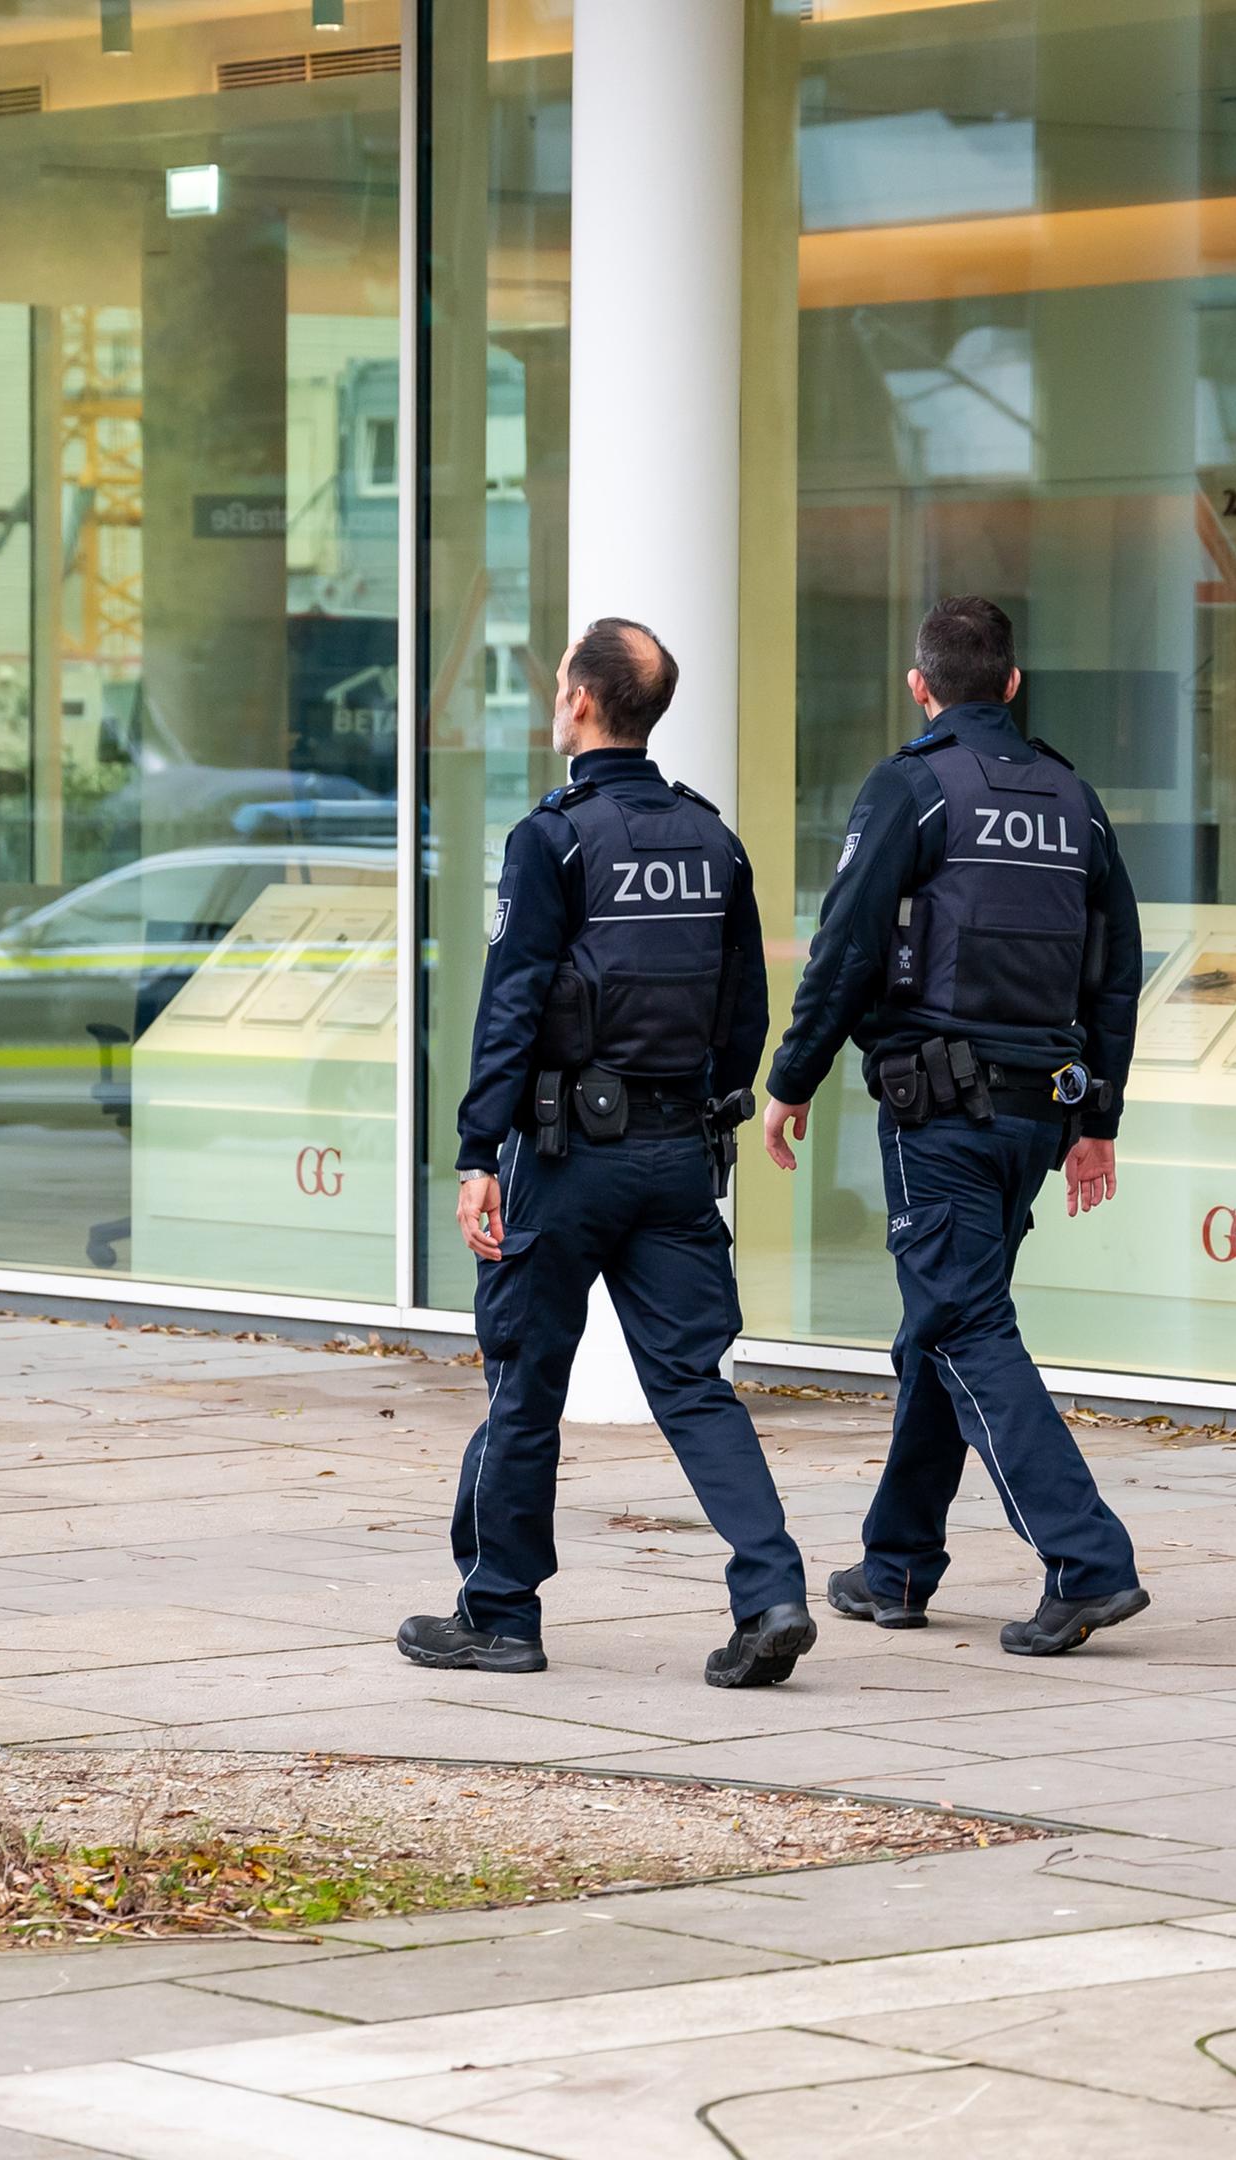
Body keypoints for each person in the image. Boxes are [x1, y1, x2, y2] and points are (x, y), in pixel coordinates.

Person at [400, 616, 819, 1690]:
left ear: (577, 700)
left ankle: (500, 1615)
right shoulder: (713, 839)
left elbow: (513, 1003)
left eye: (555, 689)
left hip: (566, 1156)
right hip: (679, 1154)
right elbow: (744, 1006)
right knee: (693, 1383)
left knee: (525, 1383)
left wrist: (474, 1150)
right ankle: (771, 1591)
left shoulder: (554, 840)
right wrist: (714, 1109)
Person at [758, 596, 1149, 1657]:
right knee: (942, 1318)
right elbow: (1115, 970)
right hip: (1039, 1113)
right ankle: (895, 1566)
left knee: (964, 1322)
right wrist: (1099, 1114)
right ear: (1014, 687)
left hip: (939, 1111)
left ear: (919, 685)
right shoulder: (1075, 798)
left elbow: (845, 946)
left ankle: (1087, 1563)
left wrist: (790, 1077)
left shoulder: (913, 786)